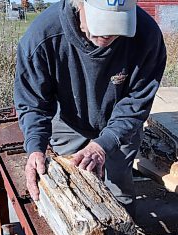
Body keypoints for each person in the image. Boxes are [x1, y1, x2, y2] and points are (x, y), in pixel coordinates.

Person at [14, 0, 166, 216]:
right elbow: (33, 103)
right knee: (72, 190)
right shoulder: (42, 36)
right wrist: (35, 147)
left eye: (117, 27)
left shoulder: (146, 36)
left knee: (119, 190)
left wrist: (104, 144)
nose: (108, 35)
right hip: (69, 120)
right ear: (79, 4)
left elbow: (136, 102)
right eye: (102, 23)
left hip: (120, 123)